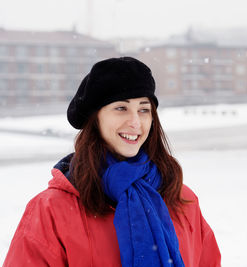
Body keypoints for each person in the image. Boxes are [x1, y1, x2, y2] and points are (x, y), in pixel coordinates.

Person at [3, 57, 221, 267]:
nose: (135, 122)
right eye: (121, 108)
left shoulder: (182, 200)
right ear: (95, 118)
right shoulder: (51, 210)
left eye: (143, 109)